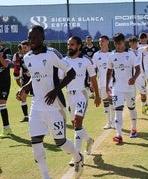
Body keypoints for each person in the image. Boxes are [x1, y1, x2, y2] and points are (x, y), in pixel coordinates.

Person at [16, 25, 83, 179]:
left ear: (43, 39)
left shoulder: (52, 54)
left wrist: (55, 90)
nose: (31, 41)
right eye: (30, 38)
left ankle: (78, 157)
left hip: (54, 106)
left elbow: (71, 73)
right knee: (36, 144)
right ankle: (46, 176)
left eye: (35, 38)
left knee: (60, 142)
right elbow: (35, 77)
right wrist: (24, 88)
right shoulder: (28, 57)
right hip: (37, 106)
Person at [59, 36, 101, 166]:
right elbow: (60, 81)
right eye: (68, 44)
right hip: (69, 95)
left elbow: (93, 79)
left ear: (79, 46)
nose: (69, 47)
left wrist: (98, 96)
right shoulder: (63, 61)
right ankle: (89, 140)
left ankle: (76, 155)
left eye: (72, 45)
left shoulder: (86, 60)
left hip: (82, 94)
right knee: (76, 125)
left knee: (77, 122)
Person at [106, 33, 140, 143]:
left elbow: (138, 69)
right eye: (115, 44)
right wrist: (107, 85)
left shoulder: (131, 54)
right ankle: (119, 135)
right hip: (117, 88)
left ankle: (134, 128)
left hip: (129, 88)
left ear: (124, 42)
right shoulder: (111, 56)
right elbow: (109, 71)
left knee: (131, 108)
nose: (117, 46)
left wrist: (134, 78)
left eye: (119, 43)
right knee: (118, 110)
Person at [92, 35, 115, 129]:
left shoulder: (113, 54)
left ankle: (113, 121)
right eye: (99, 41)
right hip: (101, 82)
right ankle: (108, 122)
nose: (101, 43)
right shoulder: (96, 55)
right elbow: (93, 70)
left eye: (103, 41)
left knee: (112, 101)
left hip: (112, 82)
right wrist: (91, 83)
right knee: (105, 101)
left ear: (107, 42)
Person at [128, 34, 148, 114]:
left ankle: (143, 105)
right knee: (130, 94)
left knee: (143, 93)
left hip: (139, 75)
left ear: (137, 43)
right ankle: (132, 111)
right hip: (129, 76)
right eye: (132, 43)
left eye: (135, 42)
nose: (133, 44)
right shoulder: (127, 52)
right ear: (129, 43)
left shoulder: (141, 50)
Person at [13, 40, 31, 122]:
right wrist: (18, 77)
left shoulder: (35, 56)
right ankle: (26, 116)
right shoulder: (21, 58)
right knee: (22, 97)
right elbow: (18, 68)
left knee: (39, 97)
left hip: (36, 80)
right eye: (22, 48)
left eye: (25, 48)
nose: (23, 49)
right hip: (25, 80)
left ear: (29, 47)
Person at [0, 39, 12, 138]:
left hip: (4, 83)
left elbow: (6, 64)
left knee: (2, 103)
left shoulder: (6, 51)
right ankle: (7, 128)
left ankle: (6, 128)